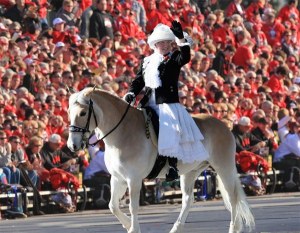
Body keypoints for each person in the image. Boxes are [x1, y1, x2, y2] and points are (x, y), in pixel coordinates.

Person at [124, 21, 208, 181]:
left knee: (169, 128)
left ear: (171, 44)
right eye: (160, 42)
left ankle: (172, 165)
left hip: (167, 103)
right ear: (155, 44)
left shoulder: (175, 57)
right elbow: (138, 81)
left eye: (166, 42)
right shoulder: (146, 61)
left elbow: (186, 57)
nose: (163, 45)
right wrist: (131, 93)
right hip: (147, 102)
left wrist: (180, 39)